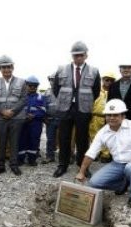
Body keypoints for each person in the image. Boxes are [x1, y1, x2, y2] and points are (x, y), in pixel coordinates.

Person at [76, 99, 131, 207]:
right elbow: (91, 153)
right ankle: (122, 185)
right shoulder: (103, 132)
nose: (112, 118)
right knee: (94, 183)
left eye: (115, 115)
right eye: (109, 115)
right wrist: (81, 172)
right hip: (117, 164)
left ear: (123, 116)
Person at [52, 41, 101, 178]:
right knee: (64, 138)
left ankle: (82, 166)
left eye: (81, 55)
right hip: (65, 109)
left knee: (82, 139)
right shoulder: (61, 69)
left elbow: (95, 91)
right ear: (72, 56)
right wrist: (66, 100)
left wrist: (83, 100)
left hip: (83, 109)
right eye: (75, 55)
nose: (78, 58)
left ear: (86, 55)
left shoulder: (94, 71)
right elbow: (56, 88)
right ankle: (62, 165)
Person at [0, 55, 27, 176]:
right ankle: (0, 166)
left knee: (14, 142)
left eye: (8, 67)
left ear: (13, 67)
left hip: (16, 118)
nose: (6, 70)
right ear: (0, 69)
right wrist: (2, 111)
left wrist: (12, 111)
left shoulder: (22, 82)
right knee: (1, 142)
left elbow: (23, 99)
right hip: (0, 118)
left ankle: (14, 165)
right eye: (3, 67)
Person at [18, 76, 46, 166]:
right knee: (21, 140)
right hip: (22, 122)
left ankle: (32, 159)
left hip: (36, 123)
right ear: (26, 85)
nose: (32, 87)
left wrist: (34, 115)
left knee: (34, 141)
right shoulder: (21, 97)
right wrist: (24, 115)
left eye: (35, 85)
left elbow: (44, 110)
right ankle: (20, 159)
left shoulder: (41, 97)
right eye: (30, 85)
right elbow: (17, 109)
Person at [89, 72, 115, 163]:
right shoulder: (96, 90)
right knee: (94, 136)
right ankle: (95, 153)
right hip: (96, 116)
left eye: (111, 80)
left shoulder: (114, 91)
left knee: (108, 135)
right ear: (102, 80)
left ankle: (105, 154)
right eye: (107, 79)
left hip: (109, 117)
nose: (109, 82)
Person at [41, 73, 59, 164]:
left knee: (64, 139)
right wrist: (44, 118)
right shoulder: (46, 93)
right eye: (51, 79)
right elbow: (43, 107)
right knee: (50, 139)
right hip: (50, 120)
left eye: (55, 79)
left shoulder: (63, 92)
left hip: (62, 119)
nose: (53, 81)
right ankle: (50, 156)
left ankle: (64, 157)